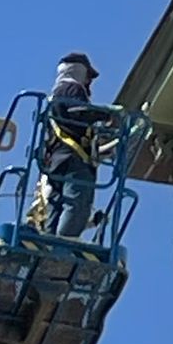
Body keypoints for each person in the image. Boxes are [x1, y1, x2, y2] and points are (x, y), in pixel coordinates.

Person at [37, 52, 103, 239]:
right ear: (79, 71)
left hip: (56, 161)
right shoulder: (73, 89)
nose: (89, 81)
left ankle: (49, 241)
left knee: (56, 204)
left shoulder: (55, 94)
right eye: (88, 76)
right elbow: (79, 114)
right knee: (77, 201)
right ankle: (65, 242)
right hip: (73, 158)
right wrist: (106, 115)